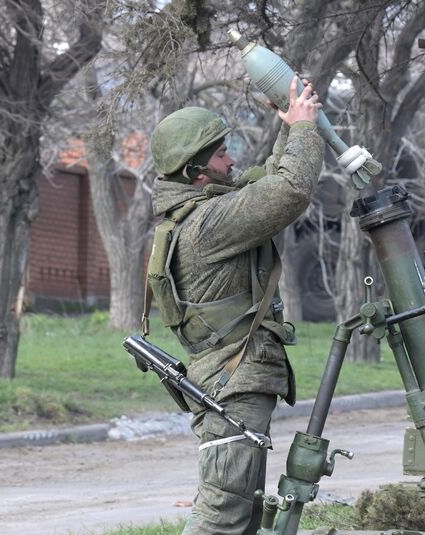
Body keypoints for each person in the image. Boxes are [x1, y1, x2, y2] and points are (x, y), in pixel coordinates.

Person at [147, 77, 324, 534]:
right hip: (234, 385)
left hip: (232, 384)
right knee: (221, 518)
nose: (231, 160)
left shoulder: (204, 211)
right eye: (221, 155)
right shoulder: (209, 223)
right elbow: (287, 192)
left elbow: (264, 180)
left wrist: (289, 127)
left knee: (241, 519)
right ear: (195, 172)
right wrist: (304, 130)